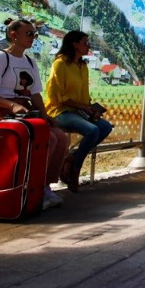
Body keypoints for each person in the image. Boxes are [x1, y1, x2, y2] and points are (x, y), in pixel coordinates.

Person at [0, 18, 71, 209]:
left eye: (34, 34)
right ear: (13, 35)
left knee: (61, 138)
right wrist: (12, 106)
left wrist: (45, 116)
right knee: (49, 140)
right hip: (0, 112)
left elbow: (35, 93)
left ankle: (44, 187)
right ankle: (32, 188)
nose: (33, 37)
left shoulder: (29, 61)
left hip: (24, 112)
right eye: (29, 33)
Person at [44, 30, 113, 192]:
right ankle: (75, 169)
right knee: (92, 129)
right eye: (85, 42)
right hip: (59, 111)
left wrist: (91, 109)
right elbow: (55, 96)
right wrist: (82, 107)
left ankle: (72, 158)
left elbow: (83, 95)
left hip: (79, 111)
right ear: (74, 44)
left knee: (105, 127)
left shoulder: (83, 66)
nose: (88, 45)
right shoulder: (60, 64)